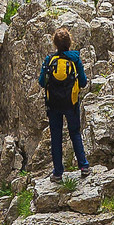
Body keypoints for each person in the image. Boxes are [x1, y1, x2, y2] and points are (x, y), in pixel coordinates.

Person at [38, 28, 90, 181]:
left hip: (53, 103)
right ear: (69, 43)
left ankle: (58, 173)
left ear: (55, 44)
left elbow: (42, 82)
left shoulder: (49, 60)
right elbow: (83, 82)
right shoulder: (75, 59)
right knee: (75, 133)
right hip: (71, 102)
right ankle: (84, 166)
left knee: (56, 136)